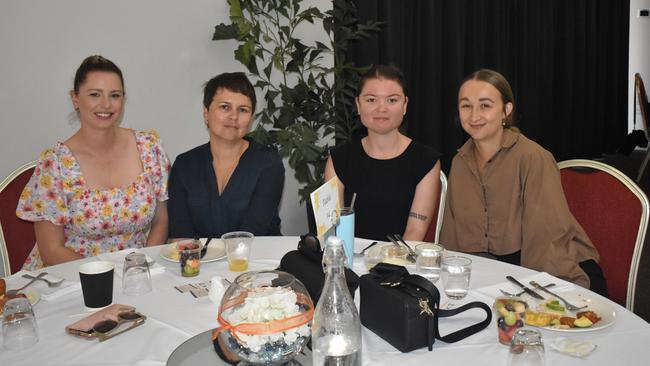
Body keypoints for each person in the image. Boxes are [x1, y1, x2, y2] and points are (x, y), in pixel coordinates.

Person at [440, 68, 607, 294]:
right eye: (466, 105)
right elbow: (453, 235)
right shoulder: (460, 161)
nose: (474, 115)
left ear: (506, 111)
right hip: (498, 271)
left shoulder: (533, 158)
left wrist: (539, 293)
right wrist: (450, 278)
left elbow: (546, 238)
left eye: (485, 105)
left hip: (550, 270)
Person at [16, 55, 170, 270]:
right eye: (95, 95)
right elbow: (51, 250)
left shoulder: (148, 147)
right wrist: (108, 276)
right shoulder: (55, 164)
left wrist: (140, 267)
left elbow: (161, 221)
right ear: (75, 98)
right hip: (73, 278)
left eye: (114, 95)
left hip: (137, 273)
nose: (106, 104)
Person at [324, 65, 441, 241]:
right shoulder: (338, 160)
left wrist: (386, 266)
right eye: (371, 100)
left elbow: (415, 231)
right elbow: (332, 228)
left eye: (392, 100)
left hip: (400, 263)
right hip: (348, 260)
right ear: (358, 105)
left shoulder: (426, 161)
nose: (381, 108)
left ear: (405, 105)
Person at [167, 72, 284, 239]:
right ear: (206, 112)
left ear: (251, 118)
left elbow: (251, 233)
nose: (233, 116)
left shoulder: (268, 163)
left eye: (242, 110)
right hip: (198, 262)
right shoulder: (185, 165)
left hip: (258, 260)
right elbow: (180, 235)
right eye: (225, 107)